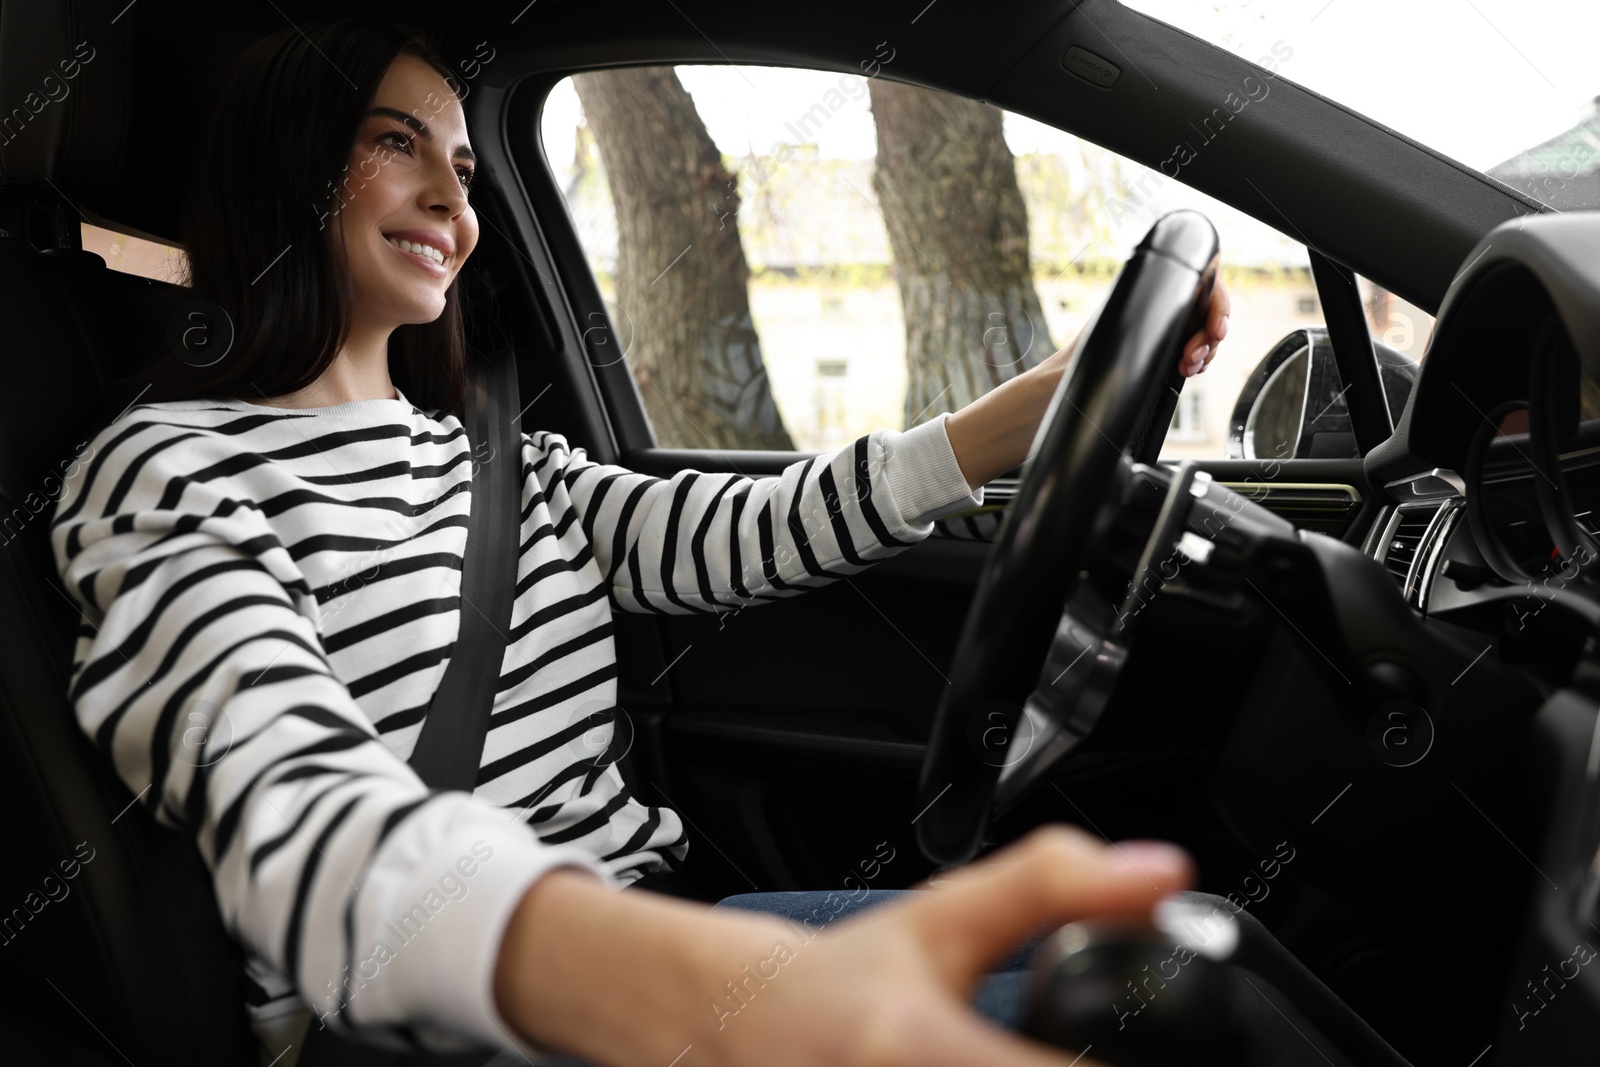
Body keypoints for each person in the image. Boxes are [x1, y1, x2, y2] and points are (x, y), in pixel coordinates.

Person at [50, 18, 1227, 1067]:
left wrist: (1060, 388)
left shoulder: (490, 461)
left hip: (655, 932)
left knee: (1170, 968)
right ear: (286, 167)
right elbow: (289, 800)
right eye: (393, 143)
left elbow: (755, 530)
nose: (455, 208)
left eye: (462, 169)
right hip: (434, 1023)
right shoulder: (166, 470)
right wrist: (688, 991)